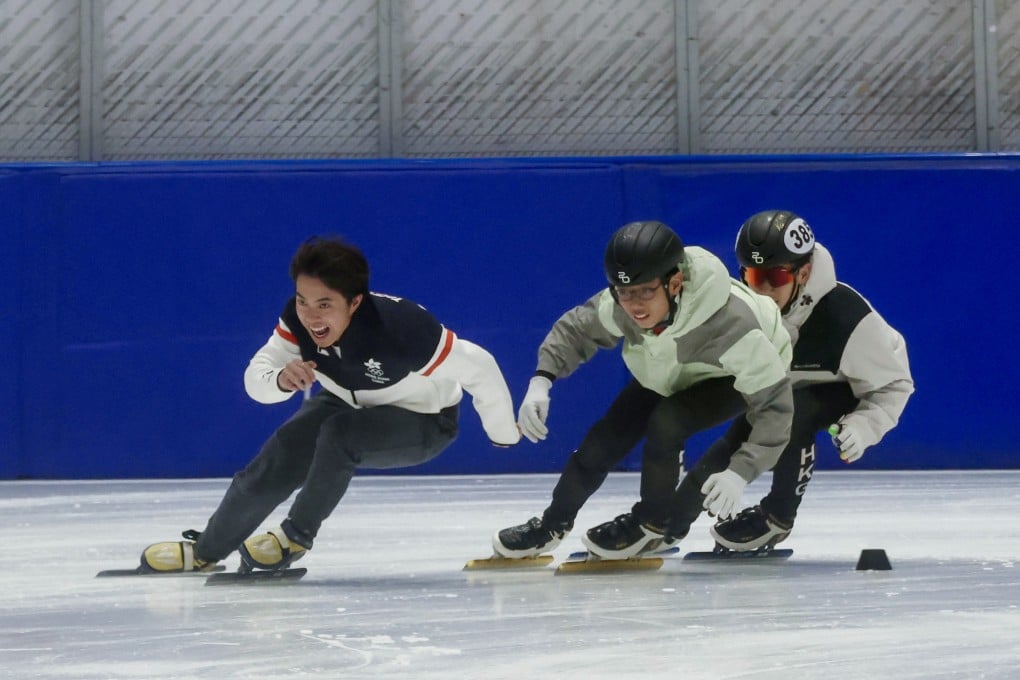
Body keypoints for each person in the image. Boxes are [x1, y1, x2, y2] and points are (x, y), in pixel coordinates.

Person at [140, 236, 520, 573]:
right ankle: (206, 550)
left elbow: (480, 367)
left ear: (354, 302)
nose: (311, 316)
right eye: (302, 301)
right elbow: (256, 378)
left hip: (425, 420)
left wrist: (502, 433)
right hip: (346, 402)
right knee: (285, 449)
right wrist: (280, 380)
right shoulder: (296, 322)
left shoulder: (401, 329)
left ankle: (295, 536)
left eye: (324, 304)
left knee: (340, 435)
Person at [491, 220, 793, 560]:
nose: (635, 305)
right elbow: (575, 330)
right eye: (625, 292)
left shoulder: (732, 327)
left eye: (646, 291)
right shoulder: (622, 303)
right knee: (604, 439)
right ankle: (551, 525)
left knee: (668, 422)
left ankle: (651, 524)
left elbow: (776, 409)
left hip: (731, 376)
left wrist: (740, 473)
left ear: (675, 283)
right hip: (669, 369)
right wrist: (541, 381)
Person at [708, 210, 914, 552]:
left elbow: (894, 385)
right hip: (787, 389)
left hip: (847, 388)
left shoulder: (847, 317)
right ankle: (668, 521)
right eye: (755, 276)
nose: (764, 290)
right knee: (741, 432)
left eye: (775, 277)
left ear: (803, 273)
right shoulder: (743, 310)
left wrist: (863, 426)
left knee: (794, 413)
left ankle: (777, 518)